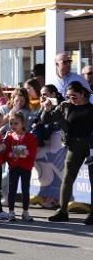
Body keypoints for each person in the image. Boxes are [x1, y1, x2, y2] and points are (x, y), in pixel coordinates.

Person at [42, 81, 93, 223]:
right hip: (74, 145)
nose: (71, 99)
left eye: (74, 96)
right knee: (67, 178)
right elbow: (46, 120)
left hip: (90, 145)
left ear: (83, 94)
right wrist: (46, 109)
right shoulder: (65, 106)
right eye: (68, 96)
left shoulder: (91, 108)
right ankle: (62, 211)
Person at [4, 112, 38, 222]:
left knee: (25, 189)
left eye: (16, 123)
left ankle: (25, 212)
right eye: (11, 123)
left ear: (22, 123)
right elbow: (6, 152)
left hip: (25, 167)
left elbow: (33, 152)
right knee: (12, 189)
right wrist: (11, 154)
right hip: (14, 166)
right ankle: (11, 212)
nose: (13, 126)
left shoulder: (30, 137)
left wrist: (23, 152)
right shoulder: (9, 138)